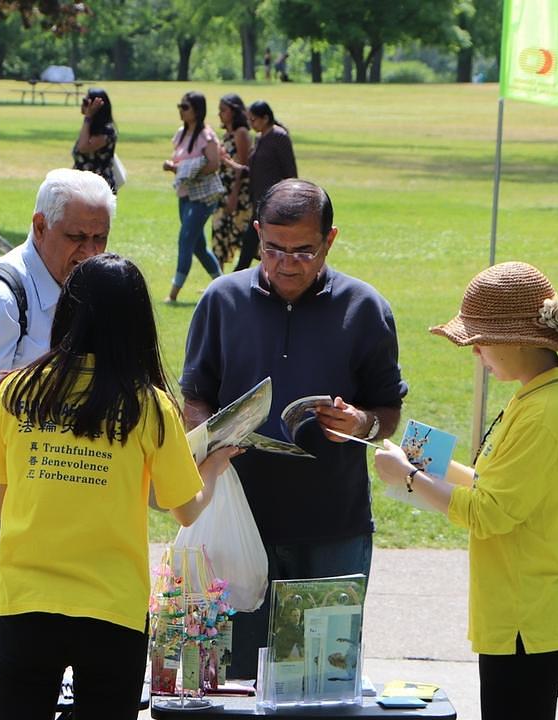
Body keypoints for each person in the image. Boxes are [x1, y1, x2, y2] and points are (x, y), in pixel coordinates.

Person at [0, 253, 240, 720]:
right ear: (139, 325)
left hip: (24, 602)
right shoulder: (150, 406)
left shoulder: (16, 391)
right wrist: (213, 464)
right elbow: (186, 510)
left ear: (67, 313)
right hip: (112, 610)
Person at [180, 179, 408, 678]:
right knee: (230, 680)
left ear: (330, 239)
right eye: (273, 249)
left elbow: (388, 410)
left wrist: (361, 422)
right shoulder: (221, 299)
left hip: (331, 530)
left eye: (304, 251)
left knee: (320, 681)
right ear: (258, 234)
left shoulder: (366, 309)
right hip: (237, 526)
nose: (286, 263)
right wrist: (208, 435)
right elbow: (194, 393)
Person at [374, 261, 558, 720]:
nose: (476, 352)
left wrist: (409, 478)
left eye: (480, 341)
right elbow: (499, 484)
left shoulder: (542, 412)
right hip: (545, 608)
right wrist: (430, 463)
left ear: (521, 338)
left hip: (529, 619)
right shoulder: (544, 395)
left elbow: (490, 513)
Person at [0, 168, 115, 720]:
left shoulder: (81, 290)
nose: (89, 252)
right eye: (76, 238)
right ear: (39, 226)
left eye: (100, 238)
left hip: (42, 510)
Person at [162, 91, 223, 303]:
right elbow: (180, 162)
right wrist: (174, 167)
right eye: (179, 106)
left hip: (203, 197)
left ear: (197, 111)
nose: (181, 110)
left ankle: (173, 294)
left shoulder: (206, 136)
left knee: (185, 239)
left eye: (185, 107)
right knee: (198, 246)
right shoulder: (181, 133)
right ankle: (221, 283)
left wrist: (190, 170)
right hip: (185, 194)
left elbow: (214, 164)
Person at [231, 101, 297, 272]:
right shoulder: (260, 138)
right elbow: (255, 169)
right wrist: (230, 164)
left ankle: (234, 283)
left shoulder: (279, 136)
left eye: (253, 119)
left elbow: (290, 172)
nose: (250, 124)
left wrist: (287, 200)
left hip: (275, 204)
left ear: (265, 118)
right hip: (260, 202)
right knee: (252, 246)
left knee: (254, 246)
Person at [210, 93, 252, 269]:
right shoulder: (227, 134)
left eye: (223, 110)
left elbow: (244, 168)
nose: (219, 114)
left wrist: (234, 195)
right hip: (222, 191)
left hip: (237, 193)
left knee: (239, 235)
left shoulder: (241, 133)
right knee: (218, 233)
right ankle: (217, 277)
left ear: (234, 112)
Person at [72, 87, 118, 194]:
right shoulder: (89, 128)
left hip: (98, 188)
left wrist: (88, 117)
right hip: (82, 185)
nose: (82, 105)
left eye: (86, 102)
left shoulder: (107, 130)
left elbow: (83, 147)